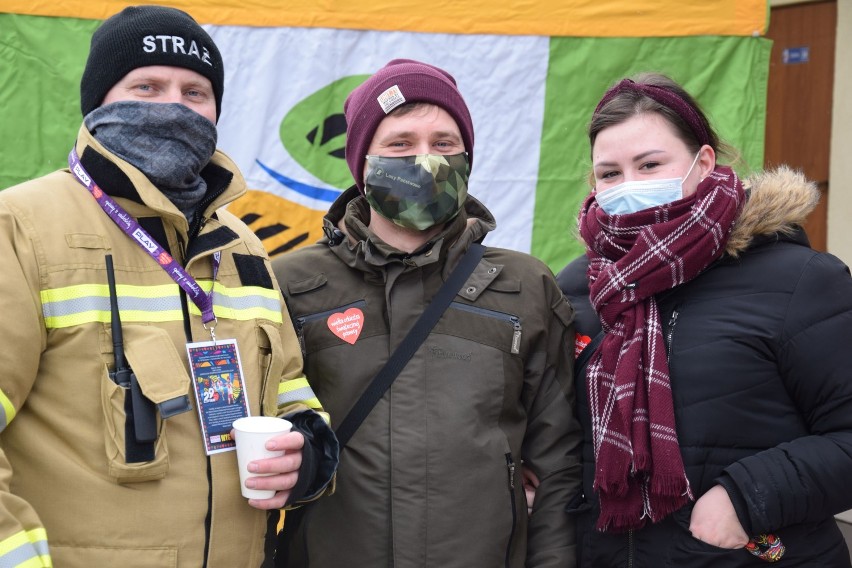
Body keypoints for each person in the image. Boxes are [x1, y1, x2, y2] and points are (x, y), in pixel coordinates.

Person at [0, 6, 337, 567]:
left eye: (195, 92)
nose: (173, 107)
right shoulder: (20, 226)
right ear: (99, 102)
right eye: (147, 86)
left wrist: (304, 450)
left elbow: (289, 384)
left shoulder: (242, 245)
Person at [271, 58, 582, 567]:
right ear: (362, 161)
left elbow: (556, 464)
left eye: (443, 144)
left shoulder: (524, 285)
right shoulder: (294, 284)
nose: (425, 159)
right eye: (400, 144)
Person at [560, 72, 852, 567]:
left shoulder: (801, 280)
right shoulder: (580, 287)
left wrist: (750, 496)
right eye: (610, 174)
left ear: (704, 162)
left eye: (650, 164)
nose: (629, 186)